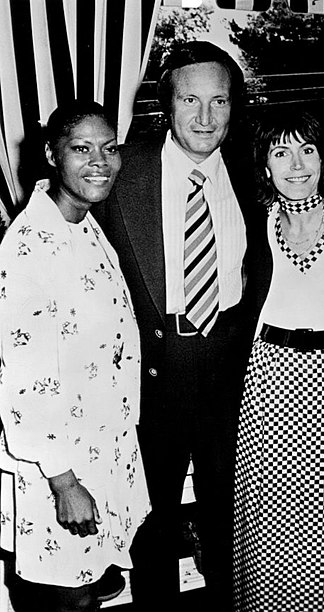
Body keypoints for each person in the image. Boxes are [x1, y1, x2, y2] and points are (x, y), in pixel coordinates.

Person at [92, 41, 266, 611]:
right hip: (150, 375)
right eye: (190, 99)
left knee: (231, 518)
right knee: (154, 523)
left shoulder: (250, 171)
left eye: (219, 101)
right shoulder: (122, 169)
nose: (205, 117)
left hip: (232, 372)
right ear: (166, 104)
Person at [0, 100, 150, 612]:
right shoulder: (28, 247)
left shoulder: (85, 228)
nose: (100, 161)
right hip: (58, 467)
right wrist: (64, 481)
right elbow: (22, 378)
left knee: (93, 588)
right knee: (68, 598)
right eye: (81, 148)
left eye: (110, 148)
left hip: (99, 453)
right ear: (50, 154)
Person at [232, 110, 324, 611]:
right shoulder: (256, 223)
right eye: (280, 153)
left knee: (322, 524)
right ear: (264, 166)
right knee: (267, 519)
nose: (296, 164)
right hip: (268, 383)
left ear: (323, 158)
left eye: (307, 150)